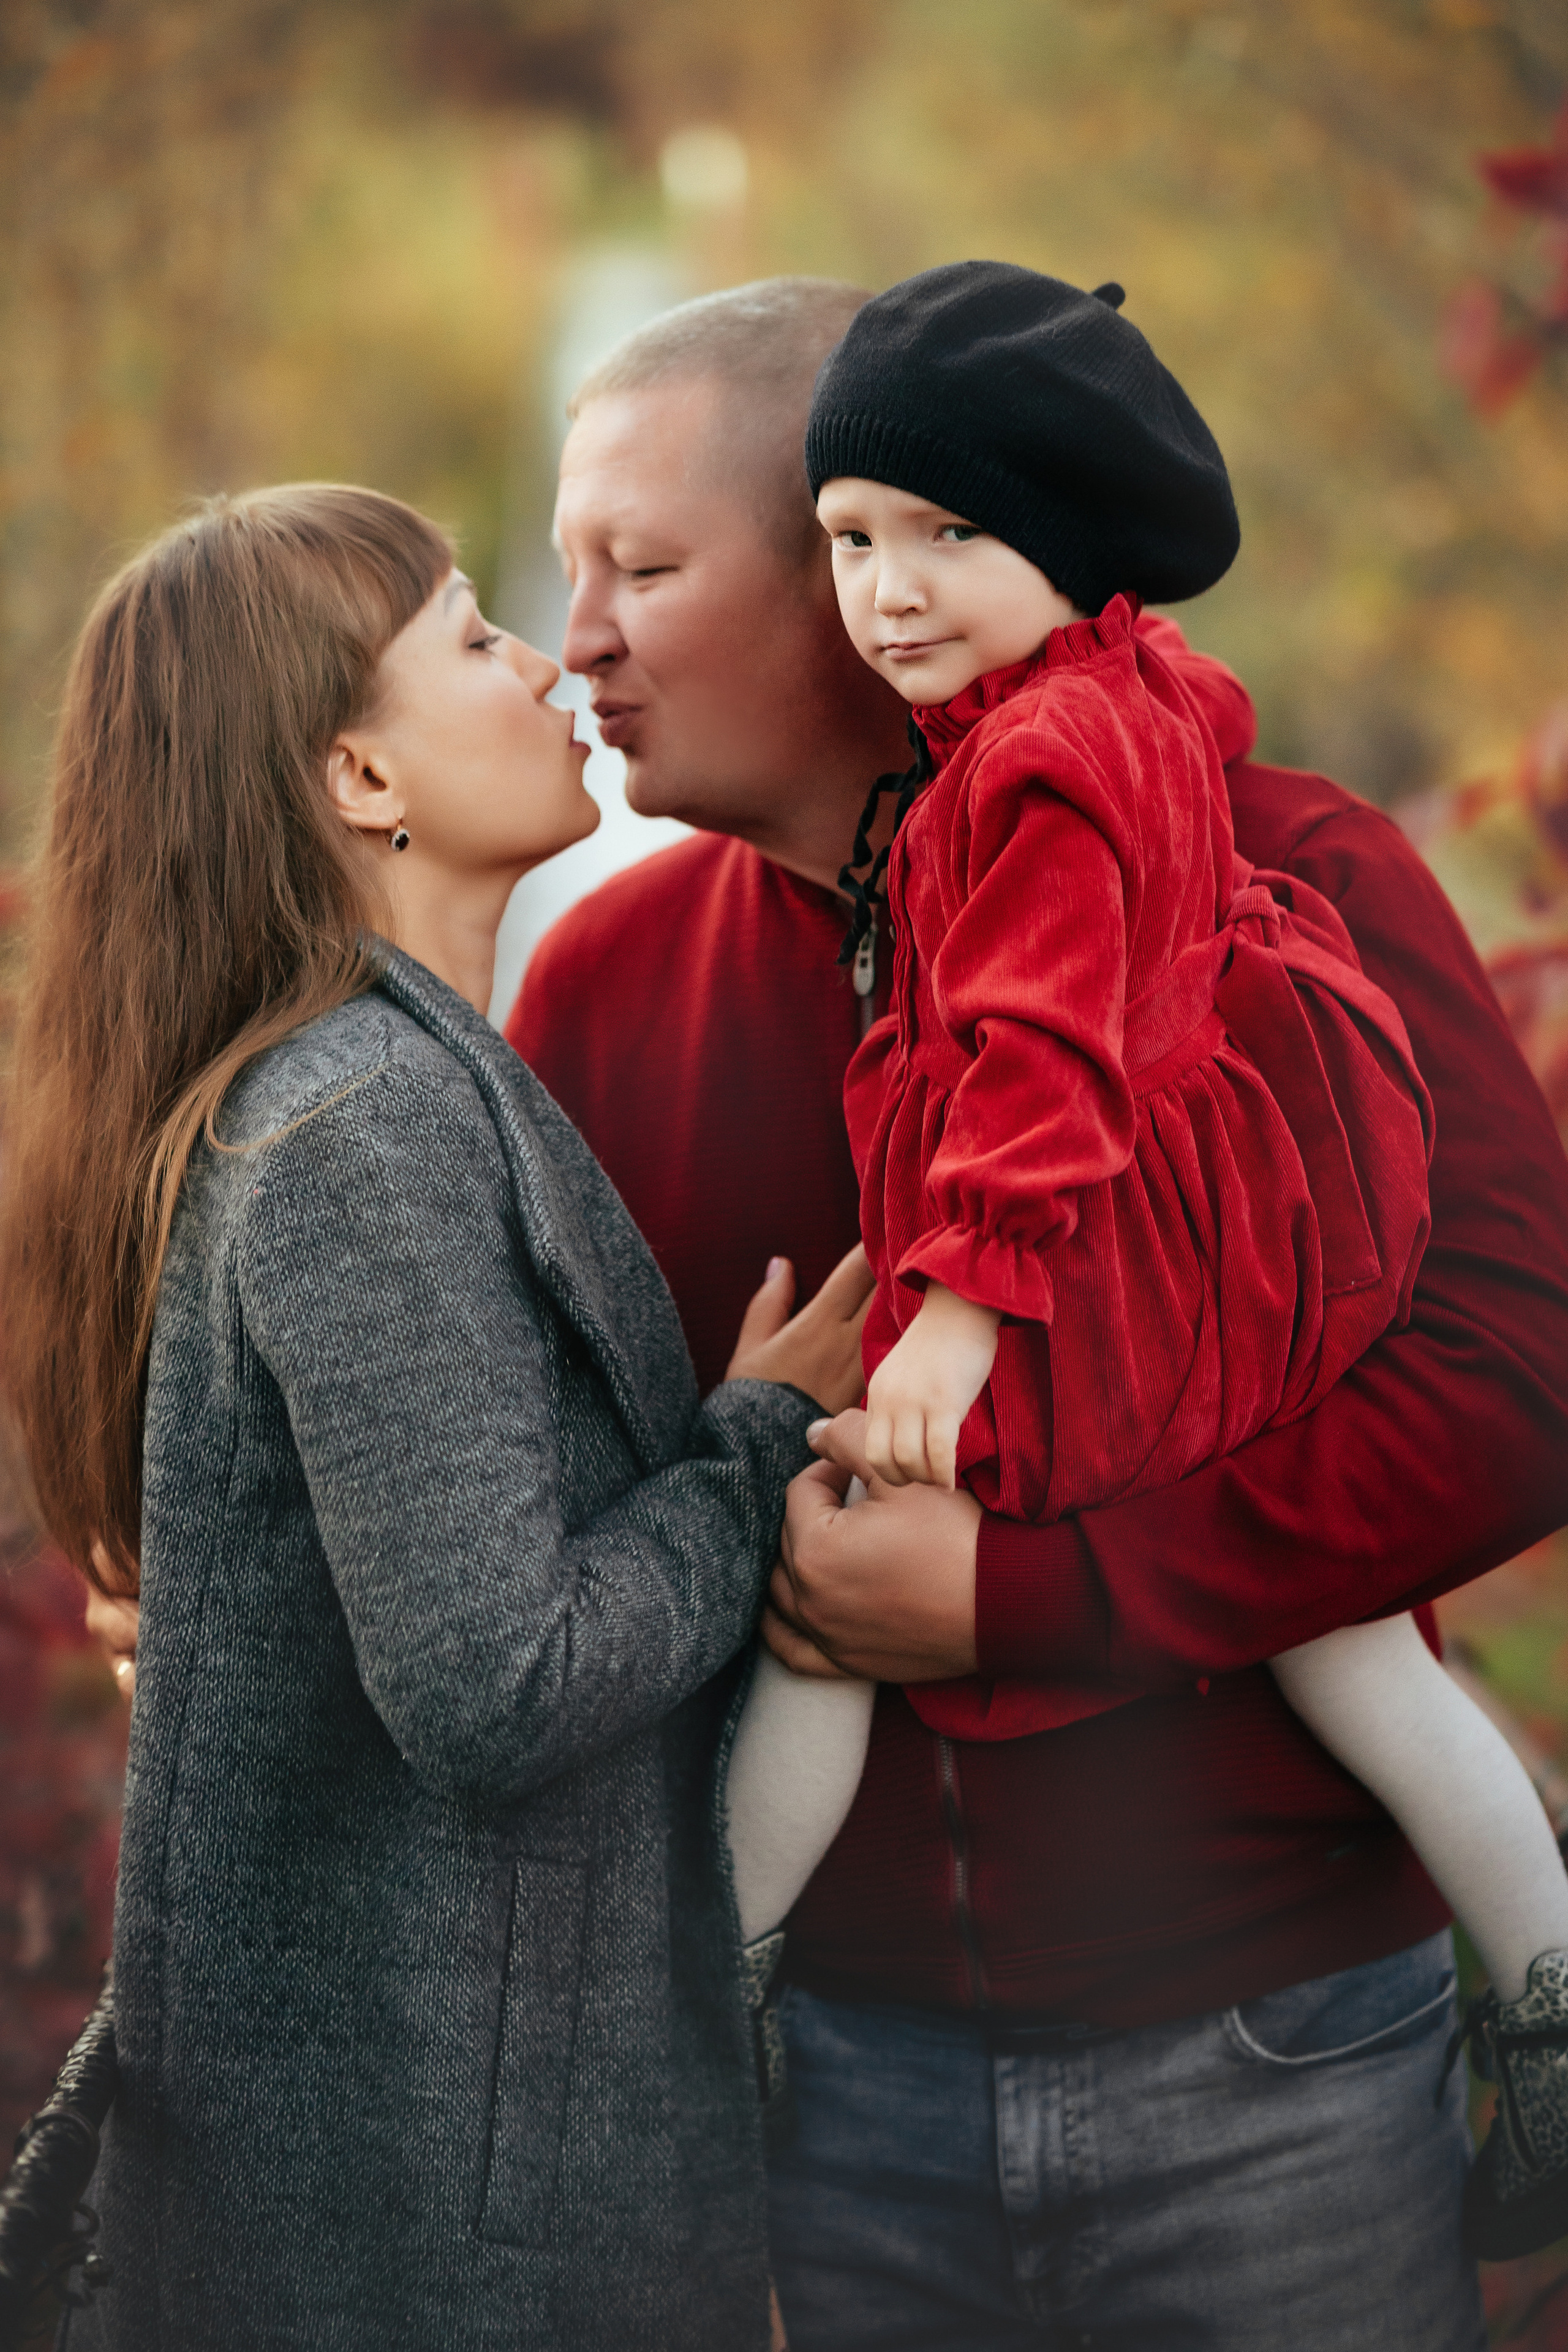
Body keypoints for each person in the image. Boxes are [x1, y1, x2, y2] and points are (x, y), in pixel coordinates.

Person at [518, 277, 1568, 2348]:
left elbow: (1518, 1384)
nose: (580, 647)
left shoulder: (1285, 877)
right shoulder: (599, 993)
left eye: (644, 569)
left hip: (1277, 2060)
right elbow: (551, 1556)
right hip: (843, 2104)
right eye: (566, 577)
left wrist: (1030, 1594)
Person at [0, 482, 872, 2351]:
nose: (547, 662)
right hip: (442, 2228)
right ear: (358, 781)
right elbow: (493, 1681)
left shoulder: (395, 1087)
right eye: (477, 637)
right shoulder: (361, 1132)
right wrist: (750, 1445)